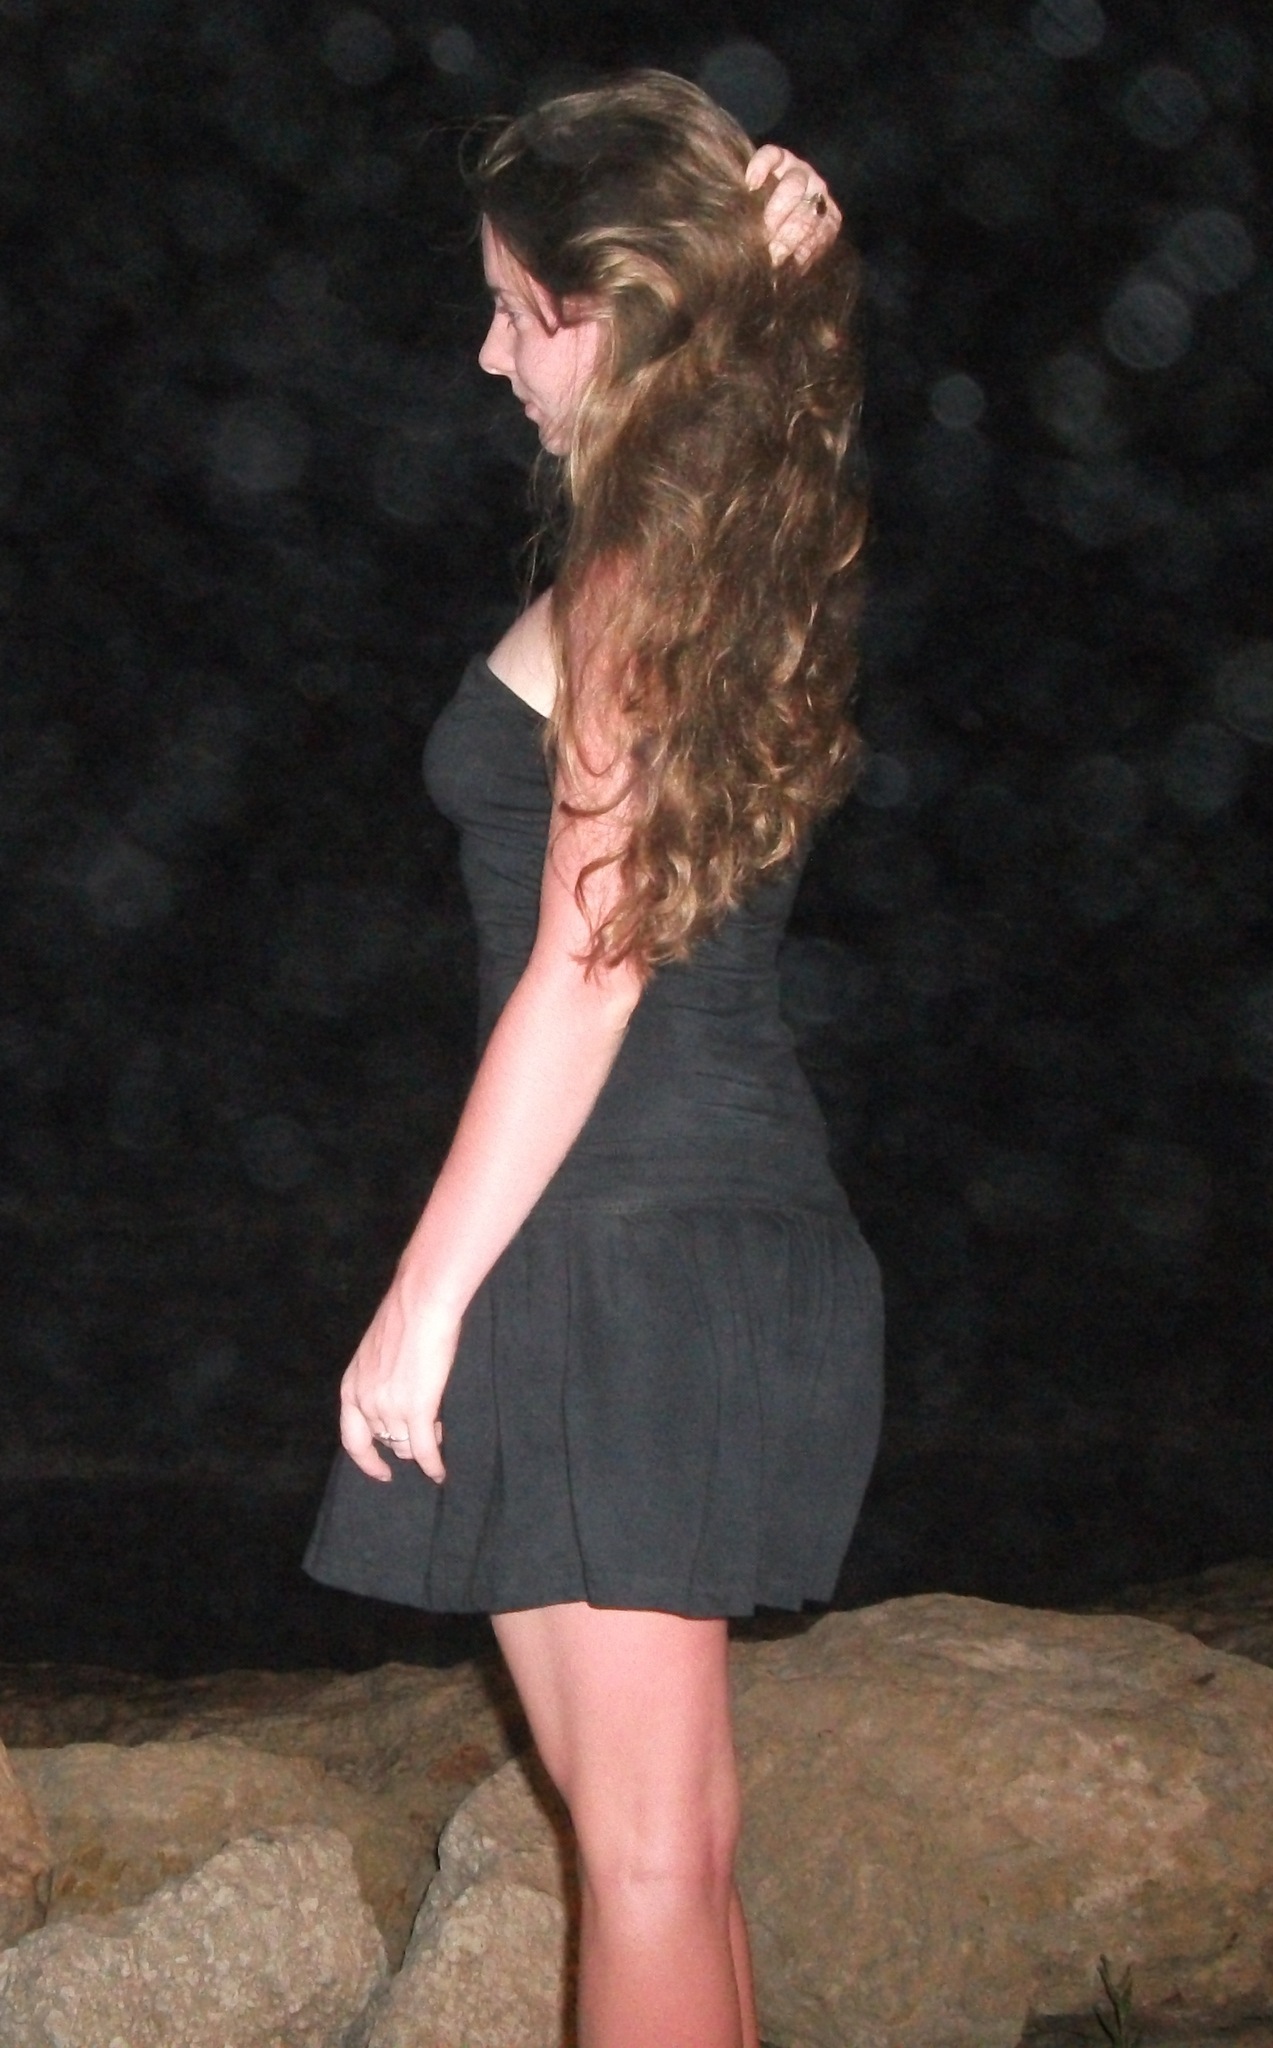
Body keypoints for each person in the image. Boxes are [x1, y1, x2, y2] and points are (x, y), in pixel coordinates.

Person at [305, 69, 883, 2048]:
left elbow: (589, 962)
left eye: (513, 309)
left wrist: (419, 1306)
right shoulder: (731, 533)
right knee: (673, 1850)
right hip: (716, 1229)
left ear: (610, 309)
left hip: (611, 1245)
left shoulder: (643, 568)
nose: (486, 355)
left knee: (642, 1855)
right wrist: (774, 281)